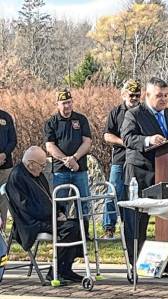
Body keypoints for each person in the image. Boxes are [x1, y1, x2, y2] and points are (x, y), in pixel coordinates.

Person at [121, 76, 168, 263]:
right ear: (147, 95)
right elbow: (127, 138)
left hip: (166, 173)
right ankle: (134, 263)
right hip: (141, 173)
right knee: (137, 221)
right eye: (159, 95)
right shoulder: (134, 114)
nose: (163, 99)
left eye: (166, 95)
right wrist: (148, 140)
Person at [6, 146, 84, 283]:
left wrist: (59, 211)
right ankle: (55, 271)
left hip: (47, 217)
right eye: (41, 165)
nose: (43, 168)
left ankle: (65, 269)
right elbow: (26, 208)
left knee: (80, 223)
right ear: (31, 164)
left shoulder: (37, 174)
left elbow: (48, 198)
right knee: (70, 228)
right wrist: (53, 215)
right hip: (30, 223)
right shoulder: (17, 177)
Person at [102, 79, 142, 239]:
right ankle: (109, 227)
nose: (134, 98)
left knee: (132, 195)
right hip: (120, 159)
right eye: (131, 95)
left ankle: (130, 229)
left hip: (138, 160)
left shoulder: (143, 112)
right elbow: (107, 135)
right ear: (124, 94)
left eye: (137, 95)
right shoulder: (116, 112)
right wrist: (125, 142)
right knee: (113, 192)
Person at [44, 89, 92, 220]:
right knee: (60, 204)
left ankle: (85, 233)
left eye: (69, 102)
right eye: (64, 103)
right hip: (60, 171)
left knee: (83, 202)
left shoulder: (81, 119)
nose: (67, 106)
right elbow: (50, 146)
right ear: (57, 104)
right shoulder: (51, 122)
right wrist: (66, 160)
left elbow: (87, 142)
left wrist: (75, 158)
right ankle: (62, 234)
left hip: (80, 168)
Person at [0, 109, 17, 229]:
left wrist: (4, 154)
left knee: (3, 200)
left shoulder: (6, 117)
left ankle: (2, 231)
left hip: (5, 165)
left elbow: (13, 140)